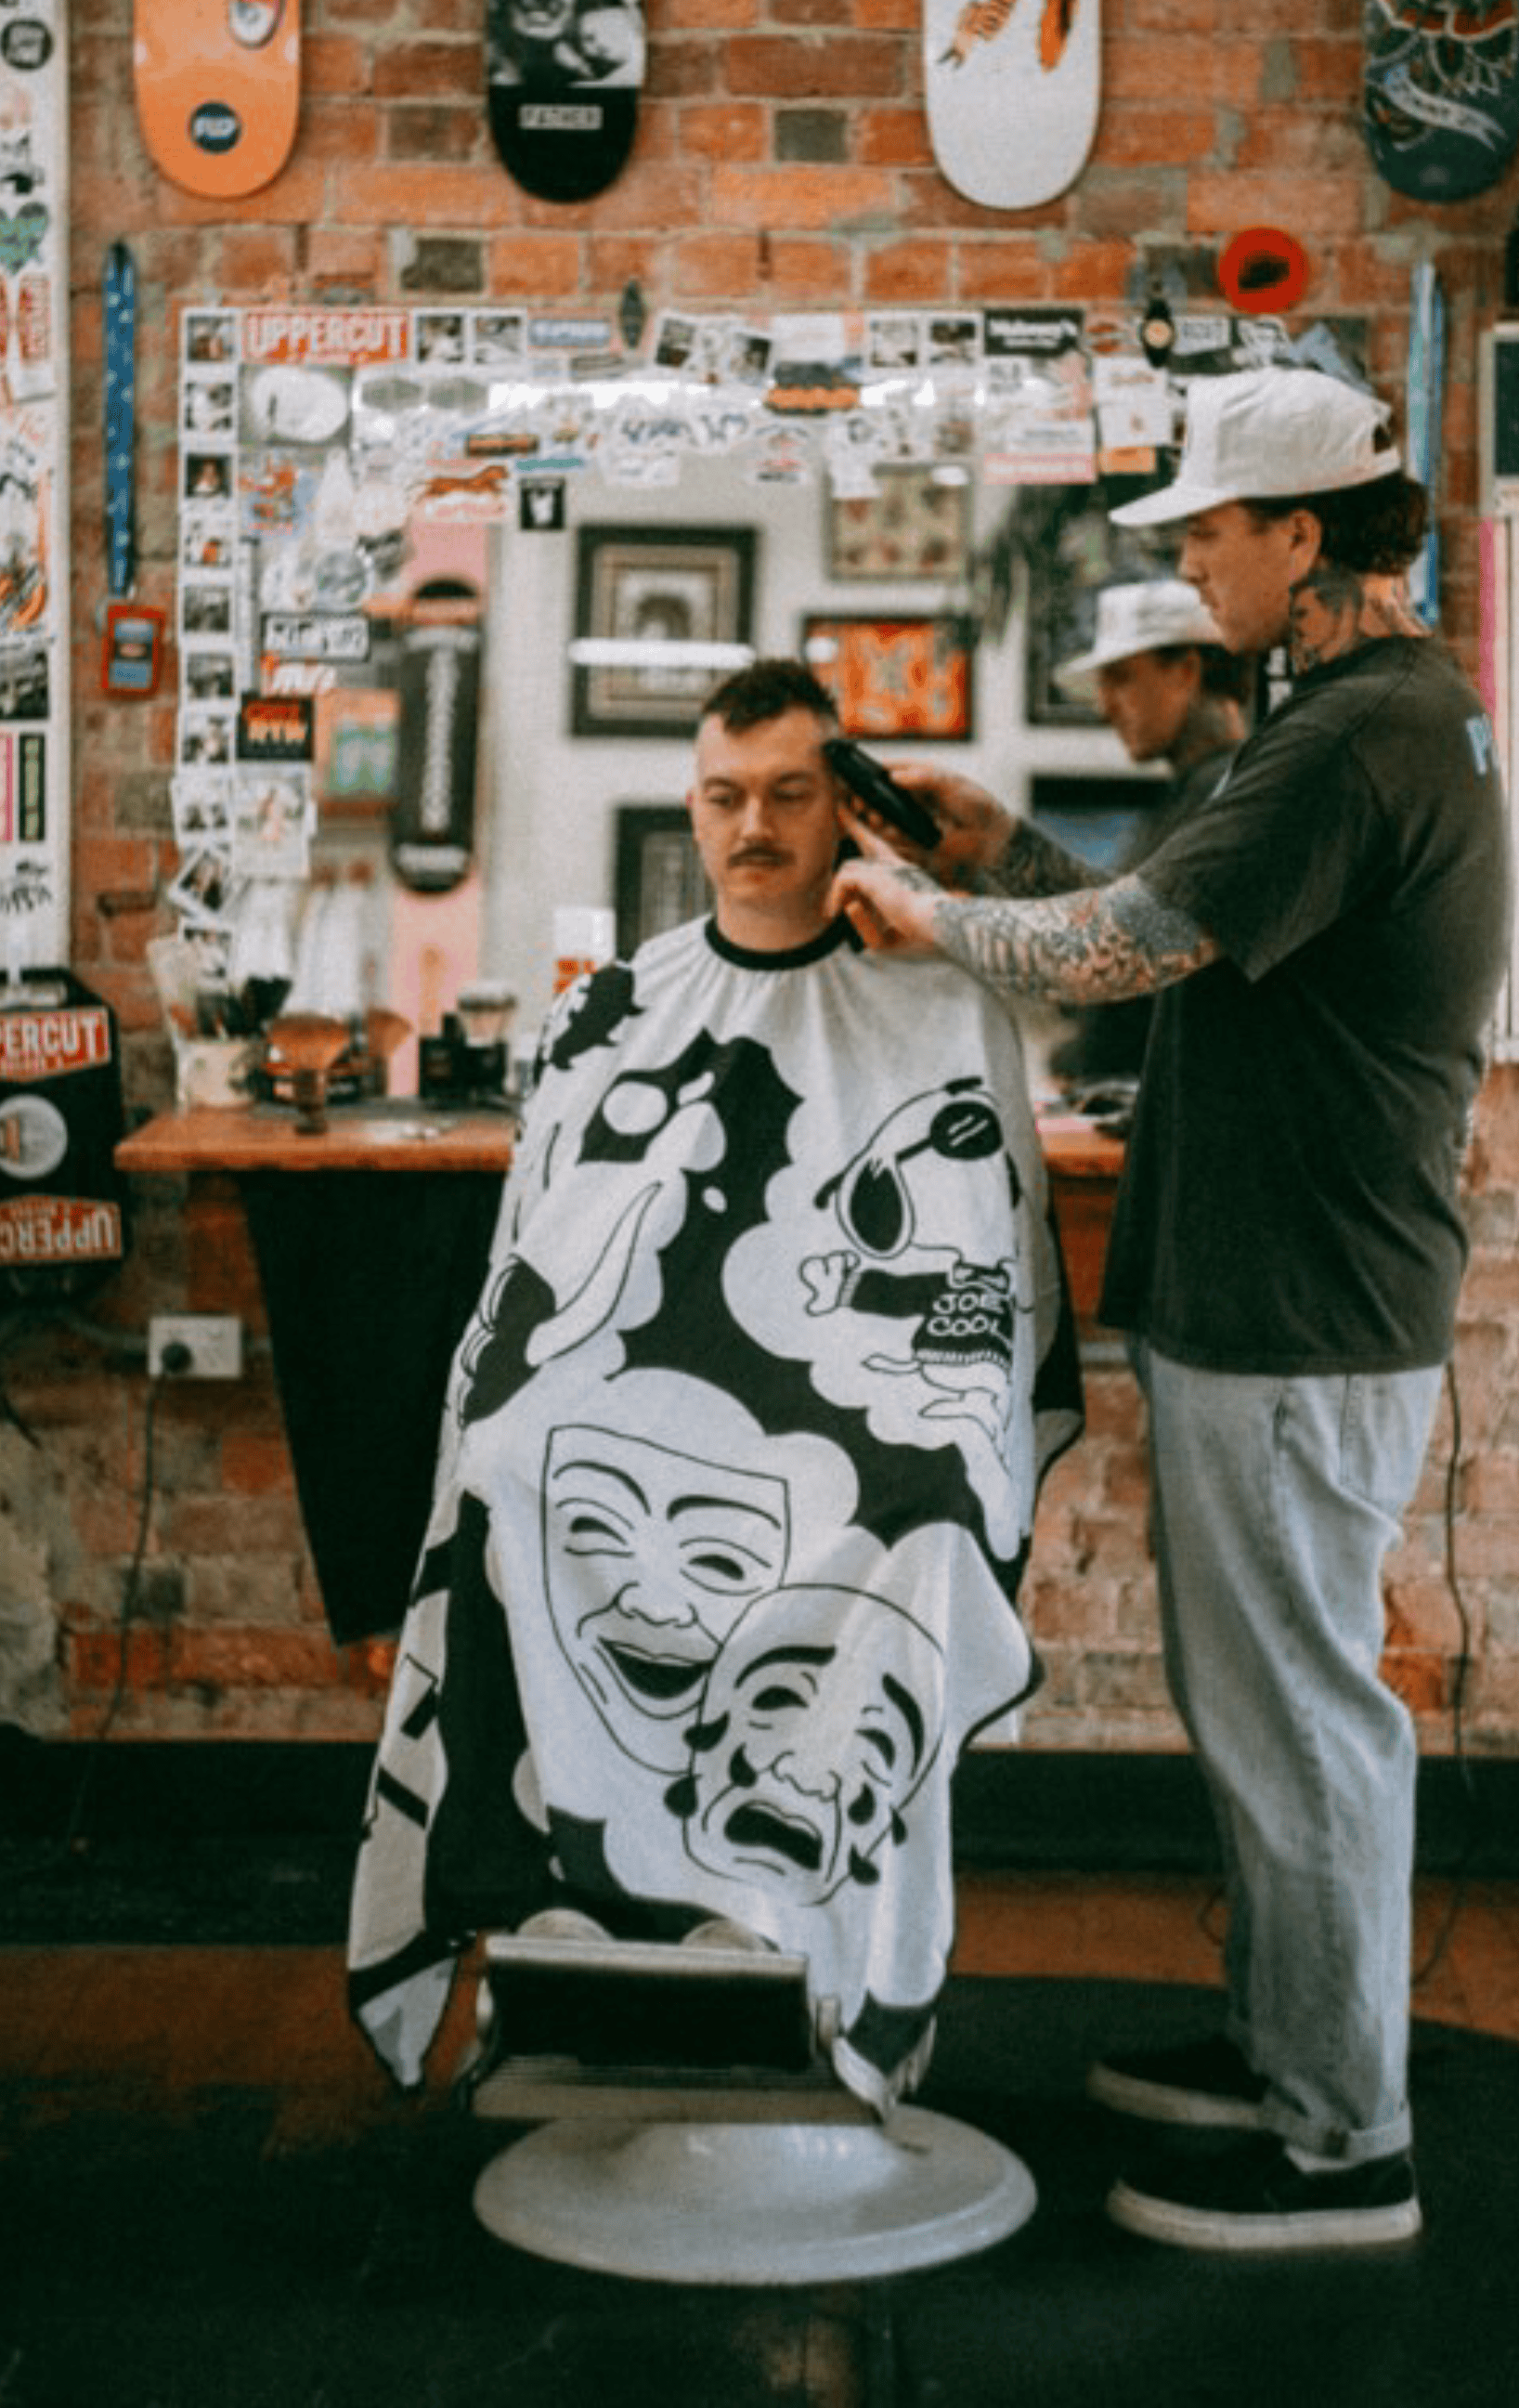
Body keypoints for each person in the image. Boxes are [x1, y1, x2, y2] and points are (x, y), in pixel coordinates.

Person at [830, 367, 1512, 2251]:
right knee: (1270, 1710)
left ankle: (1338, 2149)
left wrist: (934, 922)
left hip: (1302, 1305)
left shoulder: (1348, 736)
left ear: (1304, 537)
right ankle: (1294, 2046)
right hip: (1295, 1290)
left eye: (1208, 531)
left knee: (1298, 1722)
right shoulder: (1369, 717)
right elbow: (1193, 949)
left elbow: (1131, 949)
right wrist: (997, 861)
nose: (1191, 563)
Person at [348, 658, 1081, 2117]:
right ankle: (587, 1937)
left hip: (860, 1449)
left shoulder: (938, 1010)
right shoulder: (612, 1012)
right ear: (692, 805)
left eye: (793, 795)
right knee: (513, 1471)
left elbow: (978, 1313)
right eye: (726, 795)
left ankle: (812, 1953)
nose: (755, 824)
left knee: (906, 1528)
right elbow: (532, 1289)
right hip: (649, 1440)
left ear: (848, 812)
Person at [1044, 576, 1252, 1091]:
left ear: (1185, 672)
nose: (1106, 705)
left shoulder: (1224, 802)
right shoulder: (1194, 795)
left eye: (1120, 678)